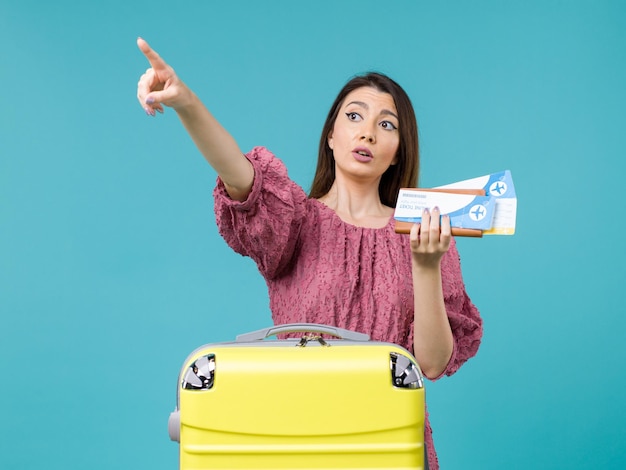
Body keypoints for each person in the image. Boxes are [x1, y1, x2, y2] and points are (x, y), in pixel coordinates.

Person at [136, 37, 482, 469]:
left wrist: (426, 266)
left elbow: (430, 364)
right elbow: (238, 173)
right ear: (332, 136)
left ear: (397, 154)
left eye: (387, 125)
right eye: (354, 116)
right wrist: (187, 102)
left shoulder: (425, 233)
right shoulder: (294, 220)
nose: (368, 132)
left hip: (389, 445)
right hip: (296, 438)